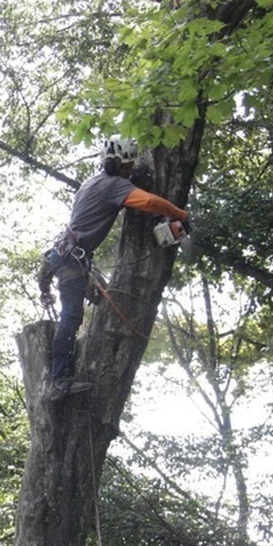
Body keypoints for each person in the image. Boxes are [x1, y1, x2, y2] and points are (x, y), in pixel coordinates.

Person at [40, 136, 189, 404]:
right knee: (72, 317)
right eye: (127, 166)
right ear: (115, 165)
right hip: (71, 259)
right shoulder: (114, 185)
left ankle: (66, 370)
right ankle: (58, 381)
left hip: (70, 256)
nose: (129, 171)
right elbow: (149, 203)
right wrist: (181, 214)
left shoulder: (92, 183)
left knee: (99, 301)